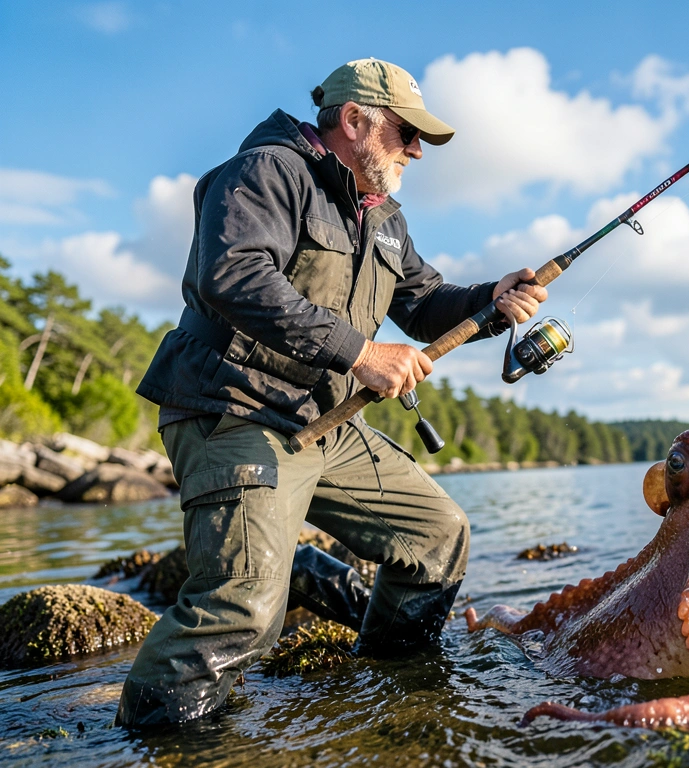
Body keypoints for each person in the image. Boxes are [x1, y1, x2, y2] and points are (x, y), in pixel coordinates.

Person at [118, 58, 547, 727]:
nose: (416, 150)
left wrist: (490, 298)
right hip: (234, 412)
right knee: (241, 610)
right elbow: (231, 276)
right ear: (354, 120)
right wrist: (362, 352)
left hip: (326, 420)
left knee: (438, 538)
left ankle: (392, 700)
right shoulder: (266, 171)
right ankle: (162, 740)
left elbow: (427, 301)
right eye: (408, 134)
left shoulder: (385, 216)